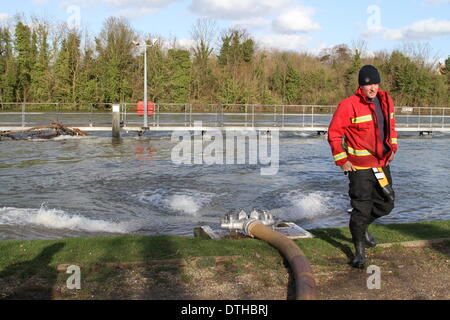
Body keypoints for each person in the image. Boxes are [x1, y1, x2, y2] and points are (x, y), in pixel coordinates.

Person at [327, 65, 398, 269]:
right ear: (361, 85)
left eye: (375, 83)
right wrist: (342, 160)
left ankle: (363, 226)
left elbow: (391, 127)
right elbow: (333, 134)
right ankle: (359, 251)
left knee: (388, 202)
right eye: (368, 84)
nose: (372, 88)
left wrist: (393, 146)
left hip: (381, 164)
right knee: (361, 207)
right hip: (358, 168)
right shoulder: (348, 105)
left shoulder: (386, 101)